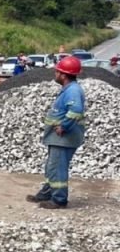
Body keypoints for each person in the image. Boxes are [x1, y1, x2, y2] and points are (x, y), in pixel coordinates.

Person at [25, 56, 86, 209]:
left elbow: (76, 110)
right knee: (52, 167)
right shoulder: (69, 89)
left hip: (63, 138)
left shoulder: (72, 90)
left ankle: (59, 199)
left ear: (63, 75)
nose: (55, 74)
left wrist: (64, 126)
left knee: (57, 168)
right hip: (58, 138)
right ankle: (46, 193)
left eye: (57, 72)